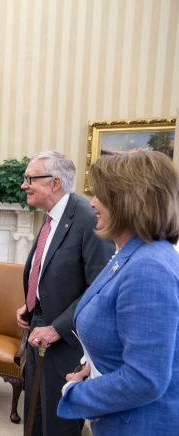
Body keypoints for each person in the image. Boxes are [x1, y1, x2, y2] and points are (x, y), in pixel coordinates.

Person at [57, 150, 179, 435]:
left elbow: (145, 378)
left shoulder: (149, 267)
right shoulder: (130, 254)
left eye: (101, 196)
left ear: (128, 201)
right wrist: (93, 367)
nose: (92, 203)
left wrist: (73, 393)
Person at [15, 150, 115, 436]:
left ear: (55, 183)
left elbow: (99, 287)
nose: (24, 185)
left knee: (58, 422)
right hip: (39, 330)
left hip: (66, 340)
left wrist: (57, 328)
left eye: (30, 178)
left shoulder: (88, 219)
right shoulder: (49, 218)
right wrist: (31, 305)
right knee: (34, 415)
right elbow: (52, 273)